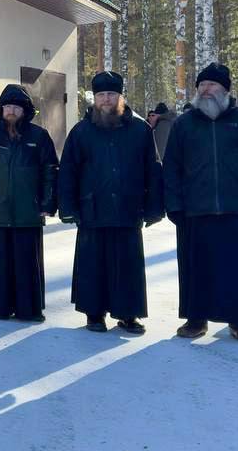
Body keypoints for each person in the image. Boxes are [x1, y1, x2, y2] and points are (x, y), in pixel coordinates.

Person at [163, 62, 238, 344]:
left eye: (212, 85)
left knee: (237, 269)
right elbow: (171, 167)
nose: (206, 90)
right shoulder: (183, 124)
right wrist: (174, 204)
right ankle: (196, 320)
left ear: (225, 90)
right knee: (196, 268)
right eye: (202, 85)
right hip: (195, 210)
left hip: (236, 209)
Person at [58, 72, 164, 334]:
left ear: (120, 97)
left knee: (127, 264)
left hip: (129, 209)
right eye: (101, 95)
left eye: (111, 95)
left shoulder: (140, 130)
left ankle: (129, 314)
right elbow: (68, 171)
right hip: (91, 209)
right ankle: (94, 314)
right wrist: (68, 207)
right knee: (93, 263)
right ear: (95, 99)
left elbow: (153, 169)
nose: (106, 100)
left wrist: (153, 207)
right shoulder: (81, 132)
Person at [0, 84, 58, 322]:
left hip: (28, 212)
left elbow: (50, 171)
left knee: (27, 264)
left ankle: (30, 309)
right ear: (1, 109)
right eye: (7, 106)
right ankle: (0, 306)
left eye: (16, 107)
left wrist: (48, 202)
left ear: (25, 110)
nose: (11, 111)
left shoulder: (39, 136)